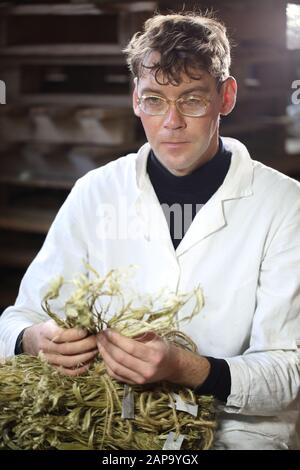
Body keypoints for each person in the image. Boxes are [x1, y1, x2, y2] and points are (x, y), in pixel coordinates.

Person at [0, 12, 299, 450]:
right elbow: (18, 319)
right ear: (135, 99)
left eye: (192, 99)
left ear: (226, 97)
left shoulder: (284, 204)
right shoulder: (96, 192)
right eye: (155, 99)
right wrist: (33, 340)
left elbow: (289, 370)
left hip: (234, 430)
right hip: (107, 421)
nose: (171, 121)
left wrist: (186, 368)